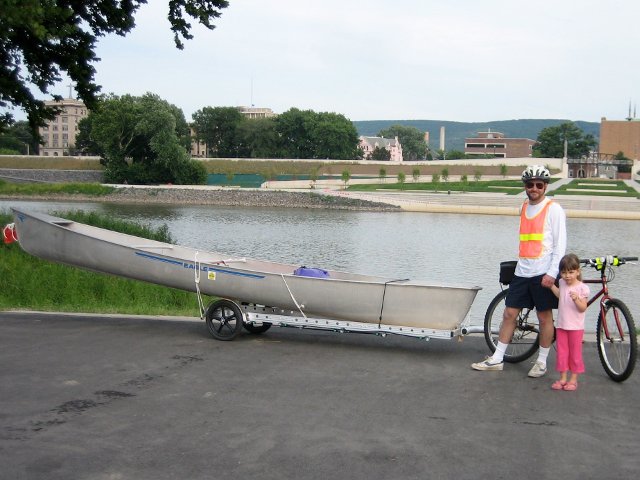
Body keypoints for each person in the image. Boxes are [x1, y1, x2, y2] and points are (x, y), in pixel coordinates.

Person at [472, 165, 566, 377]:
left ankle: (541, 362)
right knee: (509, 314)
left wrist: (552, 274)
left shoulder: (554, 209)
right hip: (522, 271)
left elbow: (560, 246)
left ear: (545, 187)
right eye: (530, 184)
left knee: (544, 318)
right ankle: (497, 358)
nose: (534, 188)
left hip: (543, 272)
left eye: (539, 185)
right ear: (525, 186)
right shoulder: (524, 206)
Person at [549, 254, 589, 391]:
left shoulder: (582, 288)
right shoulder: (561, 283)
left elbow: (583, 307)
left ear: (578, 271)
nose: (567, 276)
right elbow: (561, 296)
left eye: (571, 272)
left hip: (576, 327)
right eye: (564, 272)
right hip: (561, 325)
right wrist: (551, 287)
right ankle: (563, 378)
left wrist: (577, 299)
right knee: (562, 353)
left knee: (575, 353)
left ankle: (573, 379)